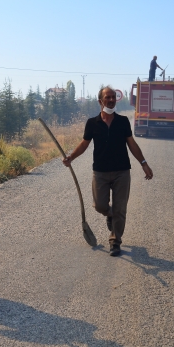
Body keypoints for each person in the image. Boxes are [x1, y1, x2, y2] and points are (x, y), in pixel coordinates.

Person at [63, 86, 153, 256]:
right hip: (100, 172)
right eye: (107, 97)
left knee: (120, 209)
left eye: (113, 97)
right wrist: (71, 158)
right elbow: (84, 144)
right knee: (100, 205)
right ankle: (109, 214)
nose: (111, 100)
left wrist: (144, 163)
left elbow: (132, 144)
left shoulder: (123, 122)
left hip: (122, 172)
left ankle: (115, 241)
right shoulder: (92, 123)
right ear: (100, 101)